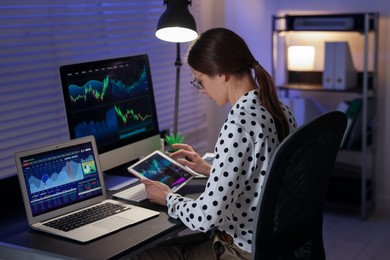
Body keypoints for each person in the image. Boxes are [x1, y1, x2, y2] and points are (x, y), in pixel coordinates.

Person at [131, 27, 297, 260]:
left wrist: (167, 197)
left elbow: (205, 217)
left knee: (139, 256)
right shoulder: (278, 109)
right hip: (272, 243)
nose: (202, 91)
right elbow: (265, 174)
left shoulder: (238, 125)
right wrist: (213, 170)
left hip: (241, 250)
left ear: (221, 73)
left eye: (200, 81)